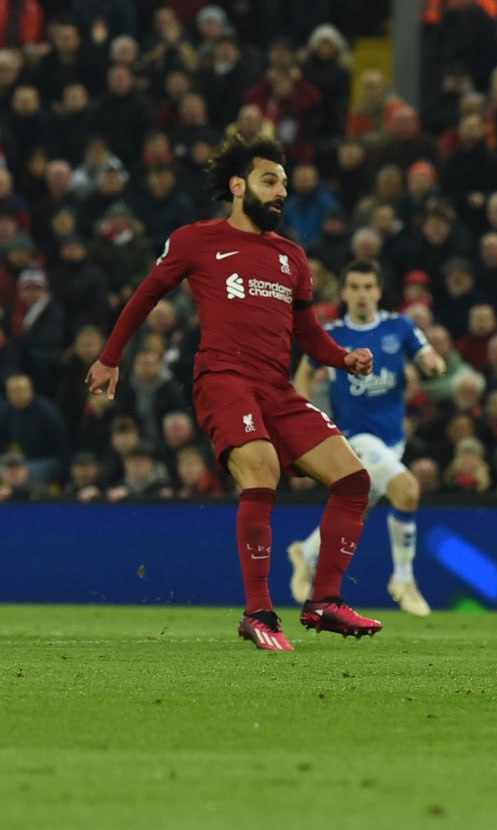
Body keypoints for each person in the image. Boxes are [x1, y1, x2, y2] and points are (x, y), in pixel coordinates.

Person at [85, 136, 383, 651]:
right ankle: (259, 612)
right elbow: (146, 295)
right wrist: (110, 357)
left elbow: (307, 334)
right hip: (223, 379)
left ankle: (323, 602)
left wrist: (342, 357)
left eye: (285, 184)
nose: (281, 192)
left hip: (276, 387)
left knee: (354, 480)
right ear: (238, 185)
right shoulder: (196, 240)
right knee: (262, 469)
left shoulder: (292, 257)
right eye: (271, 181)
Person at [289, 259, 447, 618]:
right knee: (407, 490)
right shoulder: (333, 333)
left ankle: (306, 552)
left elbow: (427, 354)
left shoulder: (399, 326)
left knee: (357, 509)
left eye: (367, 287)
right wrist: (306, 418)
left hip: (393, 440)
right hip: (354, 437)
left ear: (378, 291)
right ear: (344, 293)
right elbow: (304, 372)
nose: (361, 294)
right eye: (354, 287)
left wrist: (434, 364)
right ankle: (403, 580)